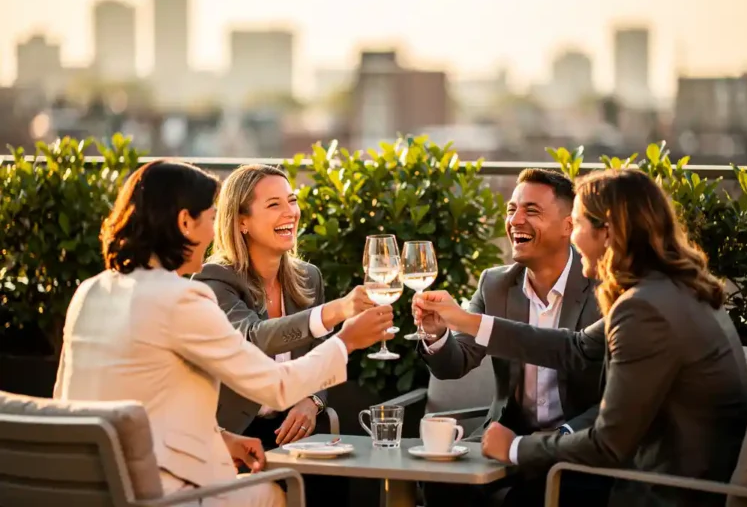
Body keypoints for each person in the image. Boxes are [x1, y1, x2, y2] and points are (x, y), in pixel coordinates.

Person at [54, 160, 394, 507]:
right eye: (212, 216)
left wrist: (219, 439)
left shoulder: (90, 291)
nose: (216, 229)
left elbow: (107, 401)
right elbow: (276, 386)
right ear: (185, 222)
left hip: (90, 483)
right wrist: (346, 340)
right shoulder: (184, 297)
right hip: (162, 491)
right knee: (279, 494)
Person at [414, 168, 747, 507]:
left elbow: (608, 444)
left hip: (662, 490)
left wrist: (515, 447)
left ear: (607, 232)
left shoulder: (644, 308)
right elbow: (575, 348)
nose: (574, 239)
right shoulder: (672, 290)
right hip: (683, 479)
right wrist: (467, 321)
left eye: (577, 224)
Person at [418, 169, 604, 506]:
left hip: (574, 442)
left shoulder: (603, 290)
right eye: (511, 209)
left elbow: (614, 399)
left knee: (530, 498)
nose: (515, 220)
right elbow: (454, 364)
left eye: (531, 211)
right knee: (439, 483)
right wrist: (437, 334)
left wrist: (562, 438)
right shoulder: (495, 284)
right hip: (505, 433)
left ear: (569, 226)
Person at [194, 163, 373, 446]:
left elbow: (322, 355)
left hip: (294, 428)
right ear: (242, 221)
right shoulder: (215, 279)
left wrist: (312, 400)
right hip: (234, 434)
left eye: (292, 200)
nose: (290, 212)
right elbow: (254, 337)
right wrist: (337, 311)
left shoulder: (308, 277)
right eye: (274, 204)